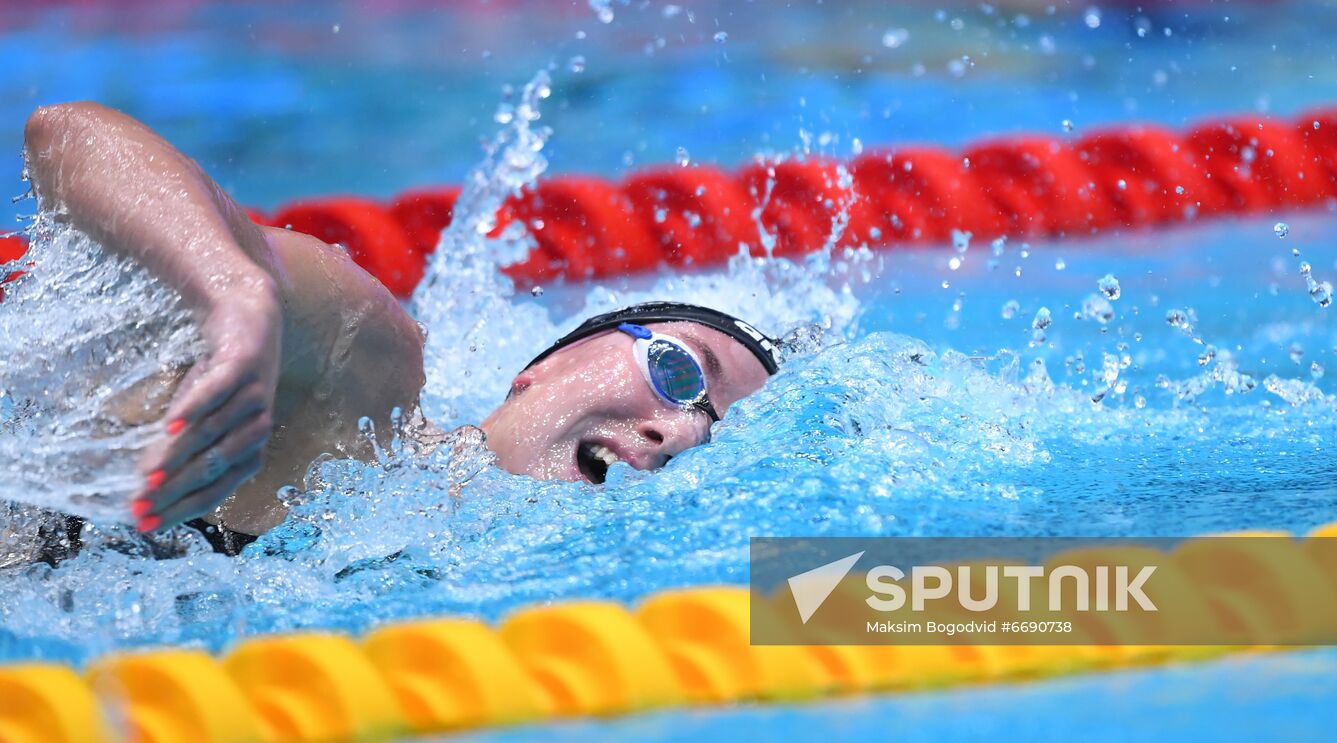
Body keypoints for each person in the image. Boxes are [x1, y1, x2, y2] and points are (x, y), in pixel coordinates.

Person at [14, 102, 780, 554]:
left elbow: (886, 602)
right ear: (548, 361)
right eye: (681, 373)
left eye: (715, 437)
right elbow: (68, 135)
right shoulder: (365, 381)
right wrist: (232, 290)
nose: (681, 434)